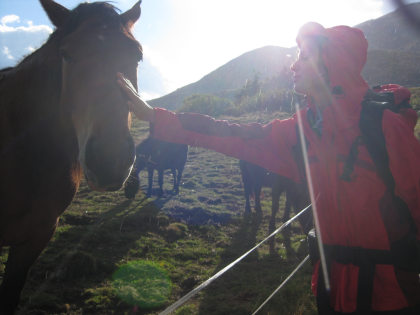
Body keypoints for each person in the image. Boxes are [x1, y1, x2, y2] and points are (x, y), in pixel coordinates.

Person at [117, 22, 420, 314]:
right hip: (333, 292)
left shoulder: (384, 127)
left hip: (393, 295)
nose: (293, 66)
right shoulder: (303, 131)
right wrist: (156, 117)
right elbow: (232, 135)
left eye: (304, 56)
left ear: (331, 62)